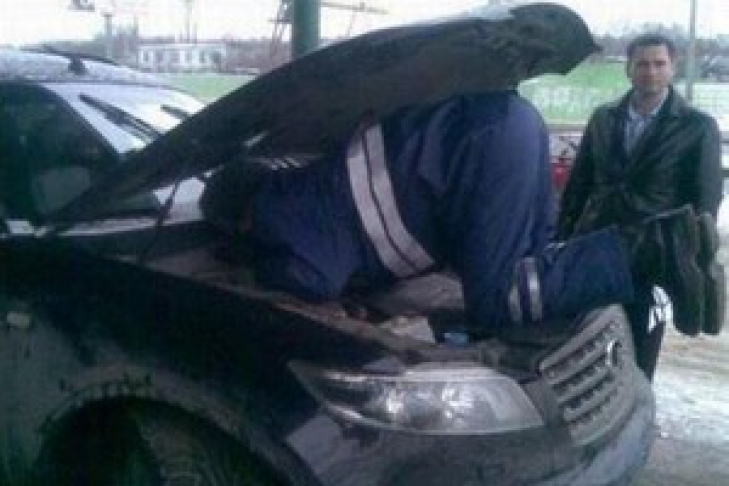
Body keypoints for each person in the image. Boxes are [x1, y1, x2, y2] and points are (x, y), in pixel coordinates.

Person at [201, 89, 713, 343]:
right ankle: (678, 255)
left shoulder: (276, 213)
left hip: (477, 154)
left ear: (241, 214)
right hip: (509, 123)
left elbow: (312, 278)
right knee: (534, 268)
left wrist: (256, 264)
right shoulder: (303, 180)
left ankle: (651, 249)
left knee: (496, 300)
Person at [557, 33, 725, 379]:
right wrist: (562, 238)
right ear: (629, 69)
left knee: (640, 346)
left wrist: (693, 258)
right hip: (597, 243)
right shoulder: (604, 118)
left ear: (673, 67)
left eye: (659, 64)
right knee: (588, 338)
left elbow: (706, 200)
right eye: (642, 64)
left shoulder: (696, 126)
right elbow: (578, 186)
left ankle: (637, 402)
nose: (650, 72)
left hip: (654, 252)